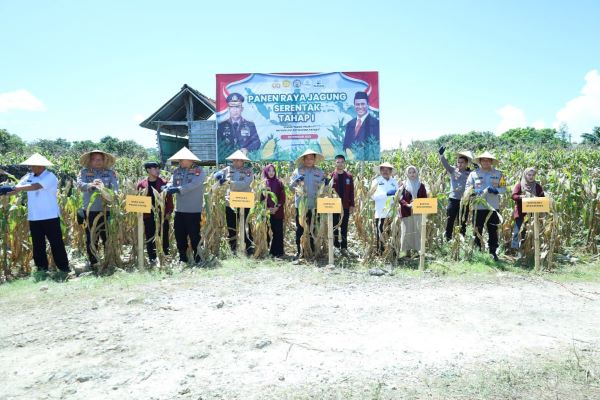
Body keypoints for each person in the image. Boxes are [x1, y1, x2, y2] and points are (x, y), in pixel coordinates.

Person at [1, 154, 70, 280]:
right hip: (34, 216)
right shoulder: (28, 176)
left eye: (34, 165)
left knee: (56, 243)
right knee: (38, 245)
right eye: (31, 165)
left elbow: (35, 187)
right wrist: (5, 191)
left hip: (50, 215)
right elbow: (16, 190)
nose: (31, 167)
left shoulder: (50, 176)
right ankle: (42, 269)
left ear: (41, 165)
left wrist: (14, 187)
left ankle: (64, 268)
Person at [76, 149, 118, 267]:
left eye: (99, 159)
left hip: (107, 210)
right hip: (90, 211)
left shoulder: (110, 173)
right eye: (94, 159)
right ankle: (94, 262)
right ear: (90, 161)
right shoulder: (84, 172)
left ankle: (109, 260)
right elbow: (80, 185)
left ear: (104, 160)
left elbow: (115, 188)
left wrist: (106, 191)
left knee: (107, 236)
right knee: (91, 237)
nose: (97, 162)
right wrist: (91, 185)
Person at [165, 147, 206, 263]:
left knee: (194, 235)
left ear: (189, 160)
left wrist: (178, 189)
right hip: (180, 209)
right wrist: (167, 187)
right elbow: (171, 181)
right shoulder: (177, 171)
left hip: (193, 209)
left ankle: (198, 258)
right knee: (179, 235)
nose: (179, 162)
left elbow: (194, 184)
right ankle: (182, 258)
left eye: (181, 159)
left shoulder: (199, 171)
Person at [465, 151, 506, 261]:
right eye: (483, 160)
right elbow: (468, 188)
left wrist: (496, 190)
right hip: (478, 207)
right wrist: (474, 191)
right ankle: (478, 250)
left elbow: (504, 189)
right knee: (477, 229)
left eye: (488, 160)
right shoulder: (473, 174)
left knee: (493, 229)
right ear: (480, 161)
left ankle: (493, 252)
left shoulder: (499, 174)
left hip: (493, 207)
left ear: (491, 162)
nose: (486, 162)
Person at [214, 150, 255, 255]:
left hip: (245, 200)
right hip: (230, 201)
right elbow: (216, 176)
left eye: (238, 160)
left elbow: (245, 184)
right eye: (234, 160)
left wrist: (229, 183)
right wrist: (218, 176)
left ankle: (249, 247)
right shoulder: (227, 169)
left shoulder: (248, 171)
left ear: (243, 161)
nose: (236, 162)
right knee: (231, 225)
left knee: (245, 224)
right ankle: (232, 248)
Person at [289, 149, 325, 259]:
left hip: (315, 206)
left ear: (314, 159)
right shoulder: (297, 171)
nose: (309, 160)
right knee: (300, 228)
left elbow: (324, 189)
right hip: (301, 206)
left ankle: (313, 250)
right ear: (304, 159)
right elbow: (291, 188)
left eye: (312, 158)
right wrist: (295, 182)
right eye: (307, 158)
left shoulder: (319, 172)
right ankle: (300, 251)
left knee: (314, 228)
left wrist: (326, 186)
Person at [136, 161, 173, 262]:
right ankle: (152, 257)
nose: (158, 170)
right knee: (150, 235)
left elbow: (169, 199)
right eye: (155, 168)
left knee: (164, 235)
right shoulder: (141, 184)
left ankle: (165, 255)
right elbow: (138, 200)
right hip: (148, 215)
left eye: (158, 168)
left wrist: (169, 212)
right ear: (148, 170)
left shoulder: (164, 183)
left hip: (162, 213)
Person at [438, 147, 473, 240]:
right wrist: (441, 155)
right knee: (450, 219)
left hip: (465, 200)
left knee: (462, 220)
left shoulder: (471, 173)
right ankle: (448, 238)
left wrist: (477, 168)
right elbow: (445, 164)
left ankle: (461, 238)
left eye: (462, 162)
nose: (460, 164)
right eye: (458, 162)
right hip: (453, 199)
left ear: (466, 163)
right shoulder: (453, 170)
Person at [511, 167, 545, 250]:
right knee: (517, 231)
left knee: (527, 232)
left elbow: (542, 197)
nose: (531, 177)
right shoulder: (520, 185)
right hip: (520, 213)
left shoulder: (537, 186)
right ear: (525, 175)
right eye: (529, 175)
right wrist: (520, 197)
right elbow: (513, 196)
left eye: (533, 175)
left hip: (533, 214)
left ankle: (525, 250)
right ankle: (514, 250)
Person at [370, 162, 398, 254]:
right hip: (380, 212)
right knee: (380, 233)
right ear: (380, 171)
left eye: (388, 170)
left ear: (391, 171)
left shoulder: (394, 182)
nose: (385, 171)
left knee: (392, 232)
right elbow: (372, 196)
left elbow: (399, 196)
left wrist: (396, 196)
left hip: (392, 213)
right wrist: (386, 194)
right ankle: (380, 253)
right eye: (383, 169)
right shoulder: (376, 181)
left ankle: (392, 252)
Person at [399, 166, 428, 255]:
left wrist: (416, 204)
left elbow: (424, 197)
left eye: (414, 172)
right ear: (407, 174)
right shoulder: (403, 185)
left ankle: (416, 250)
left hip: (418, 211)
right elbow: (399, 198)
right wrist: (407, 205)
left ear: (417, 173)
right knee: (407, 231)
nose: (412, 174)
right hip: (406, 211)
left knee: (417, 230)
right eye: (410, 172)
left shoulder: (421, 185)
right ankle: (407, 251)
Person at [330, 154, 355, 255]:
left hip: (345, 205)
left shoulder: (349, 176)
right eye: (338, 162)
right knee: (335, 226)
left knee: (344, 227)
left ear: (344, 163)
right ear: (335, 163)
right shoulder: (331, 176)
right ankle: (335, 246)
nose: (340, 164)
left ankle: (344, 247)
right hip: (334, 205)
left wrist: (352, 204)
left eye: (342, 162)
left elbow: (352, 192)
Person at [262, 164, 286, 258]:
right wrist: (268, 209)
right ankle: (266, 250)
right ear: (266, 172)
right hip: (266, 212)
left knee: (278, 232)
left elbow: (282, 197)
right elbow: (261, 198)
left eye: (273, 171)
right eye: (269, 171)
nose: (271, 173)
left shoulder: (279, 182)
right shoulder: (263, 183)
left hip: (278, 211)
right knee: (266, 232)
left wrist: (277, 207)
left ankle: (278, 252)